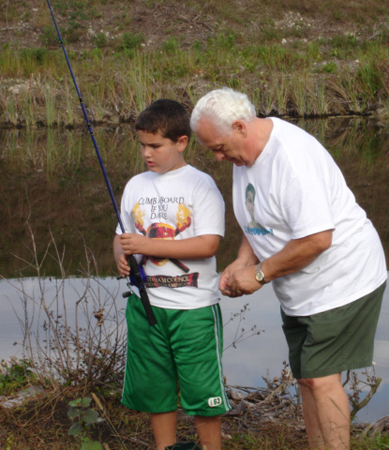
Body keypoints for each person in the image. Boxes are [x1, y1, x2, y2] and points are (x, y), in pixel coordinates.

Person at [190, 87, 387, 450]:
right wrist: (242, 261)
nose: (218, 157)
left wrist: (260, 273)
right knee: (307, 378)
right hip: (299, 285)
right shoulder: (245, 156)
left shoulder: (291, 160)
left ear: (240, 126)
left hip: (342, 276)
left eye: (218, 147)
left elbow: (317, 239)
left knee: (321, 378)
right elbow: (260, 219)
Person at [113, 99, 229, 450]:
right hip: (146, 307)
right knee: (155, 391)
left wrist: (148, 246)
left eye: (156, 146)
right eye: (143, 146)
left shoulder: (201, 184)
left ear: (181, 142)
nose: (147, 153)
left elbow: (208, 244)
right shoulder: (135, 185)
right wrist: (121, 255)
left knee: (202, 393)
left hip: (192, 310)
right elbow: (121, 235)